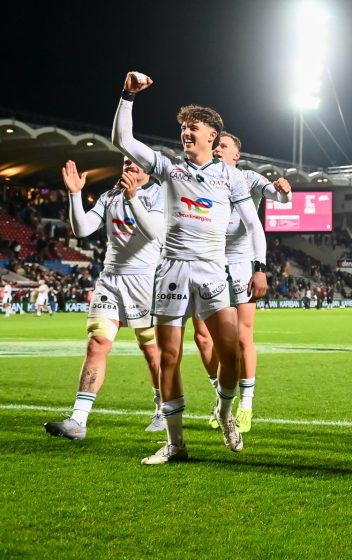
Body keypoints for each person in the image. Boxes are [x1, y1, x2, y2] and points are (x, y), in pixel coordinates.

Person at [113, 71, 268, 465]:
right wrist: (128, 96)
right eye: (183, 127)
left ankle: (225, 411)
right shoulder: (168, 168)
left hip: (215, 271)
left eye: (193, 127)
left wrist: (259, 266)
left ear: (212, 136)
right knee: (170, 357)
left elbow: (253, 225)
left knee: (230, 353)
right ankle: (175, 443)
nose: (186, 132)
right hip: (173, 271)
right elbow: (123, 140)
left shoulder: (231, 178)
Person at [44, 159, 166, 440]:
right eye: (125, 162)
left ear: (149, 168)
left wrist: (133, 196)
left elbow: (154, 231)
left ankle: (162, 407)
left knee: (151, 350)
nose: (130, 166)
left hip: (146, 281)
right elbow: (82, 229)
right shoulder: (109, 196)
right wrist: (75, 195)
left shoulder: (160, 193)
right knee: (97, 344)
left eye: (135, 162)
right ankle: (78, 420)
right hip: (110, 279)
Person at [190, 131, 291, 434]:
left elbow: (280, 198)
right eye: (215, 144)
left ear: (236, 155)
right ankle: (221, 399)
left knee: (242, 336)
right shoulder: (200, 177)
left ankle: (245, 405)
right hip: (207, 261)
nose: (217, 149)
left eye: (223, 146)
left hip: (240, 263)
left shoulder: (248, 177)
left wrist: (284, 192)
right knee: (203, 338)